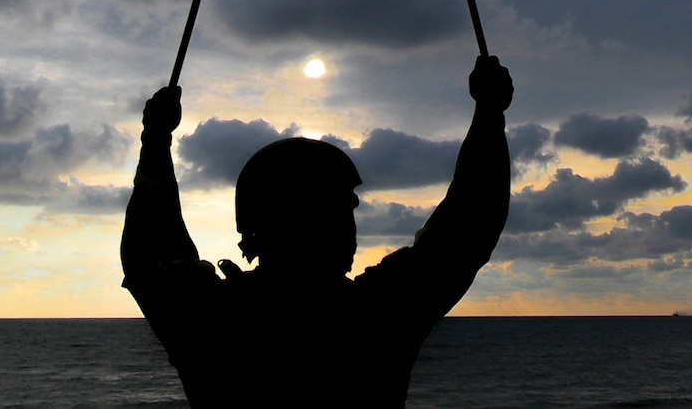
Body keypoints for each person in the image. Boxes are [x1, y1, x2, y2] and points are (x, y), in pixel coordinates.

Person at [120, 56, 513, 407]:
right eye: (338, 209)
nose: (350, 223)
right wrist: (489, 114)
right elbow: (467, 228)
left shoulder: (206, 319)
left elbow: (151, 251)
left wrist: (155, 138)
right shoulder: (377, 316)